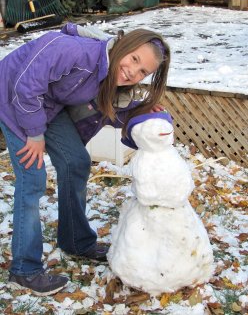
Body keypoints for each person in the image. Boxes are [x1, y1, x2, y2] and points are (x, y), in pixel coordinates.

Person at [0, 22, 170, 296]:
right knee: (32, 178)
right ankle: (24, 270)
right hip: (12, 96)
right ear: (123, 46)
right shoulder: (73, 51)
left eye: (143, 72)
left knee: (76, 161)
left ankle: (77, 241)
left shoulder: (108, 74)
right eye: (134, 59)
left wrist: (144, 112)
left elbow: (105, 110)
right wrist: (34, 134)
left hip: (46, 106)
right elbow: (25, 86)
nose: (133, 72)